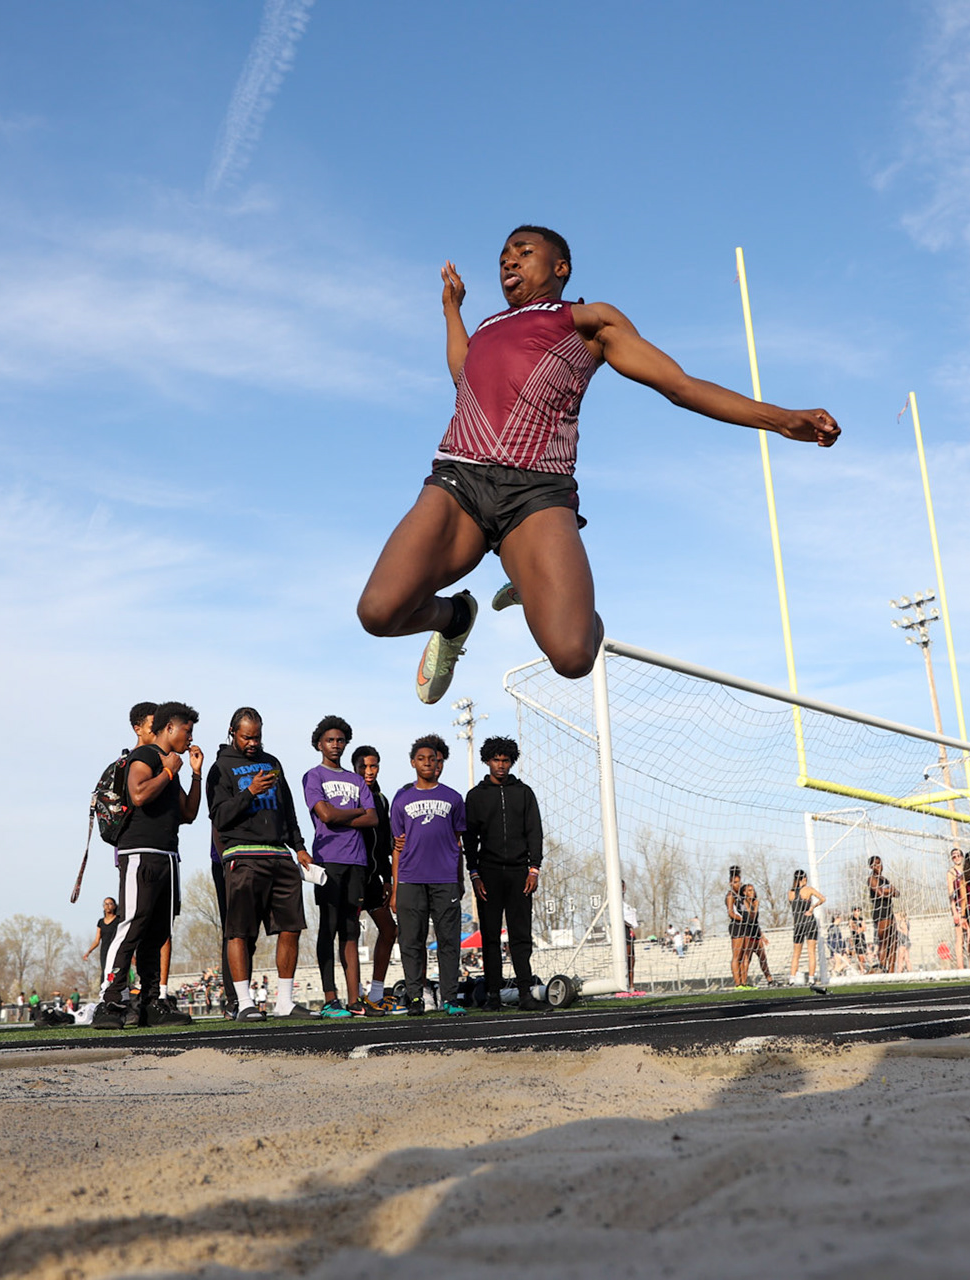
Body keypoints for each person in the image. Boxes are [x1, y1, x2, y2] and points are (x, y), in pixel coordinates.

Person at [356, 226, 842, 704]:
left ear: (560, 267)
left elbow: (680, 385)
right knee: (379, 612)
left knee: (572, 657)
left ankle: (536, 581)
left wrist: (780, 420)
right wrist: (451, 310)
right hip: (459, 479)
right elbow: (465, 376)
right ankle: (455, 619)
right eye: (504, 255)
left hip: (536, 492)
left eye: (524, 252)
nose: (509, 261)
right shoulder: (486, 326)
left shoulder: (587, 320)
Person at [94, 702, 202, 1029]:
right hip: (139, 852)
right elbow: (138, 794)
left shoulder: (173, 764)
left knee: (158, 931)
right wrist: (169, 771)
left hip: (168, 854)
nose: (191, 737)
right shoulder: (147, 758)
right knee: (133, 925)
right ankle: (110, 1001)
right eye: (187, 730)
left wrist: (195, 773)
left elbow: (188, 814)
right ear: (170, 728)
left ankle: (152, 1002)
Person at [210, 708, 314, 1021]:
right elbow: (219, 817)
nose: (253, 742)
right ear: (232, 732)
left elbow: (289, 808)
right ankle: (243, 1003)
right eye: (247, 737)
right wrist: (250, 792)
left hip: (280, 855)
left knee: (291, 928)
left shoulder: (273, 762)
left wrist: (299, 847)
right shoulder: (221, 768)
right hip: (243, 855)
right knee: (240, 931)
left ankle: (285, 1001)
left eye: (257, 736)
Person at [302, 715, 379, 1018]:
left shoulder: (357, 779)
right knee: (329, 927)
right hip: (328, 859)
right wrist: (355, 811)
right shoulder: (314, 776)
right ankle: (330, 998)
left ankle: (353, 999)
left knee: (351, 931)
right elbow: (325, 815)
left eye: (340, 740)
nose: (335, 745)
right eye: (330, 740)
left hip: (357, 861)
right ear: (319, 744)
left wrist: (342, 812)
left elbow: (373, 818)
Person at [463, 735, 546, 1012]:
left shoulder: (524, 793)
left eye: (505, 760)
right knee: (489, 937)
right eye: (496, 760)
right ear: (487, 761)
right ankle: (493, 996)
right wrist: (474, 873)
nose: (501, 765)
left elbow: (535, 832)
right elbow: (470, 838)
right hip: (488, 874)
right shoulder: (475, 796)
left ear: (511, 762)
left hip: (520, 873)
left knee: (521, 936)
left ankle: (525, 993)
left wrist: (534, 869)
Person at [390, 735, 469, 1015]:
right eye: (421, 758)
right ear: (413, 762)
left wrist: (459, 880)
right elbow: (397, 848)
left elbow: (457, 843)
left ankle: (450, 998)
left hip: (445, 879)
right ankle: (415, 997)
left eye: (432, 759)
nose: (427, 763)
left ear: (439, 762)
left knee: (449, 941)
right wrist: (395, 888)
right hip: (411, 879)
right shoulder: (401, 799)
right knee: (411, 941)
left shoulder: (453, 798)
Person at [352, 744, 400, 1014]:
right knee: (349, 933)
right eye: (364, 766)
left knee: (389, 929)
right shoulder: (348, 793)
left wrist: (386, 877)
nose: (369, 771)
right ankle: (353, 994)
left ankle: (377, 993)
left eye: (374, 766)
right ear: (355, 767)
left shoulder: (381, 799)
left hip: (373, 877)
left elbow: (384, 843)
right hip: (350, 874)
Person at [787, 869, 825, 985]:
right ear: (804, 879)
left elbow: (794, 909)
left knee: (796, 953)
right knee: (811, 952)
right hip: (809, 921)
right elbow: (823, 898)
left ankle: (792, 979)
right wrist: (812, 907)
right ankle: (811, 979)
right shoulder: (808, 890)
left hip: (798, 923)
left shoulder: (790, 893)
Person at [946, 849, 970, 968]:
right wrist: (954, 912)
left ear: (962, 856)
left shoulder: (968, 870)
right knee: (960, 937)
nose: (956, 858)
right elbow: (951, 893)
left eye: (958, 856)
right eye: (953, 857)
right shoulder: (951, 873)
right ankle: (961, 967)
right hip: (959, 906)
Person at [866, 856, 899, 974]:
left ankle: (891, 971)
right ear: (871, 867)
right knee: (884, 941)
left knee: (894, 942)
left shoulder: (885, 879)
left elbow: (897, 893)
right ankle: (882, 969)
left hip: (889, 911)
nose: (879, 867)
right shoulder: (871, 879)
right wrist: (889, 891)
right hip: (880, 913)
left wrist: (888, 891)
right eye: (876, 864)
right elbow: (880, 893)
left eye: (880, 864)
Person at [737, 883, 772, 985]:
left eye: (753, 890)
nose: (752, 892)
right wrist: (756, 907)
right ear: (744, 892)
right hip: (748, 934)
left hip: (756, 932)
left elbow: (755, 922)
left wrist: (762, 936)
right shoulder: (744, 903)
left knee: (763, 957)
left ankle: (770, 980)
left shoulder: (754, 902)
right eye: (749, 890)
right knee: (747, 958)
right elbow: (751, 917)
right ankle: (743, 983)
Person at [723, 865, 747, 988]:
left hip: (743, 926)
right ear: (730, 883)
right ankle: (737, 984)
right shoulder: (730, 895)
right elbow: (731, 912)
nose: (738, 884)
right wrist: (743, 919)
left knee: (743, 956)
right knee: (736, 956)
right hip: (736, 926)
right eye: (735, 882)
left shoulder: (741, 896)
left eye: (739, 882)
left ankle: (744, 982)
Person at [84, 896, 121, 975]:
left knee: (115, 972)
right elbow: (97, 941)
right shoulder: (100, 922)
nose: (108, 906)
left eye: (110, 904)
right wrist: (89, 952)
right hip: (105, 951)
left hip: (116, 950)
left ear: (114, 906)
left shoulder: (118, 920)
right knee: (105, 973)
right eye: (105, 904)